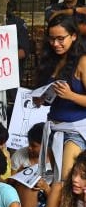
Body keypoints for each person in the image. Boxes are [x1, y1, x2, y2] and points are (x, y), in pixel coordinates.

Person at [35, 14, 86, 183]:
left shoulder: (83, 61)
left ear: (73, 36)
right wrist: (41, 99)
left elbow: (69, 96)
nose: (55, 44)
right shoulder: (52, 60)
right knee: (51, 181)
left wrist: (71, 95)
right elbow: (52, 96)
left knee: (65, 182)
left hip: (75, 131)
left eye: (60, 38)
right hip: (52, 128)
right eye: (51, 39)